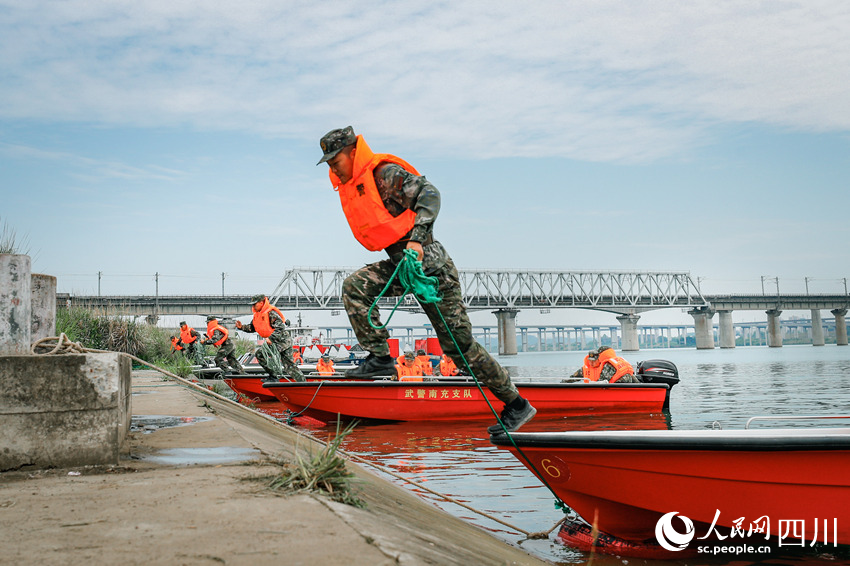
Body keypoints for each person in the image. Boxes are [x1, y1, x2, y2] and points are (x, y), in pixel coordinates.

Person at [317, 126, 535, 432]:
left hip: (431, 268)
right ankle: (379, 356)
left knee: (459, 348)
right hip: (400, 266)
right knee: (355, 286)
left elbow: (430, 194)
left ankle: (516, 404)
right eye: (327, 163)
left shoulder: (385, 174)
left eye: (335, 160)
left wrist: (417, 240)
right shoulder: (356, 185)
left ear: (352, 152)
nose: (332, 167)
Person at [235, 294, 305, 382]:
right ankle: (279, 377)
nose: (253, 306)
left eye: (255, 304)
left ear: (261, 303)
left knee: (261, 354)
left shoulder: (271, 313)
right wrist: (241, 327)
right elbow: (252, 328)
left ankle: (298, 382)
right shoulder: (257, 315)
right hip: (274, 342)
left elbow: (280, 328)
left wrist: (270, 338)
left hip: (282, 341)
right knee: (288, 365)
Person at [573, 346, 640, 383]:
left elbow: (602, 382)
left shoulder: (608, 366)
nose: (591, 363)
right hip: (593, 391)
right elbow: (573, 377)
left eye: (594, 361)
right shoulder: (586, 369)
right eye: (589, 360)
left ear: (599, 359)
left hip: (616, 389)